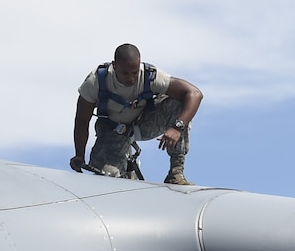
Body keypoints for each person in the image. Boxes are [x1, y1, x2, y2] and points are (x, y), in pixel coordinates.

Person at [71, 44, 203, 185]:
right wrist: (79, 155)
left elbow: (195, 94)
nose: (131, 78)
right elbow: (82, 121)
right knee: (106, 179)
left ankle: (175, 173)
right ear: (114, 66)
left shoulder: (150, 75)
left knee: (180, 104)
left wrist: (177, 127)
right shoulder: (95, 82)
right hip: (113, 131)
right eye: (125, 73)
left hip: (144, 123)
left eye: (134, 72)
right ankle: (127, 170)